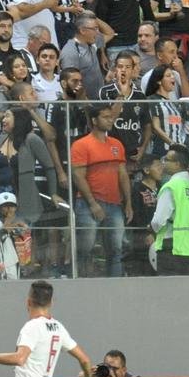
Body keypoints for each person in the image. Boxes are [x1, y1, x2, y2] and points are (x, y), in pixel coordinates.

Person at [71, 103, 132, 278]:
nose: (110, 120)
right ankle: (83, 285)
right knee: (85, 248)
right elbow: (78, 176)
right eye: (105, 117)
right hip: (87, 203)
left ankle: (115, 287)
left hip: (114, 203)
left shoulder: (117, 144)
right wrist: (92, 204)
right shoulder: (81, 145)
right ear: (94, 120)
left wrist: (128, 203)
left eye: (111, 117)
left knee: (116, 249)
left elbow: (122, 174)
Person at [150, 143, 189, 275]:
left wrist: (151, 227)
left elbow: (158, 221)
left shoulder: (171, 187)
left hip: (171, 248)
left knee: (169, 293)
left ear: (177, 164)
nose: (163, 162)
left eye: (166, 160)